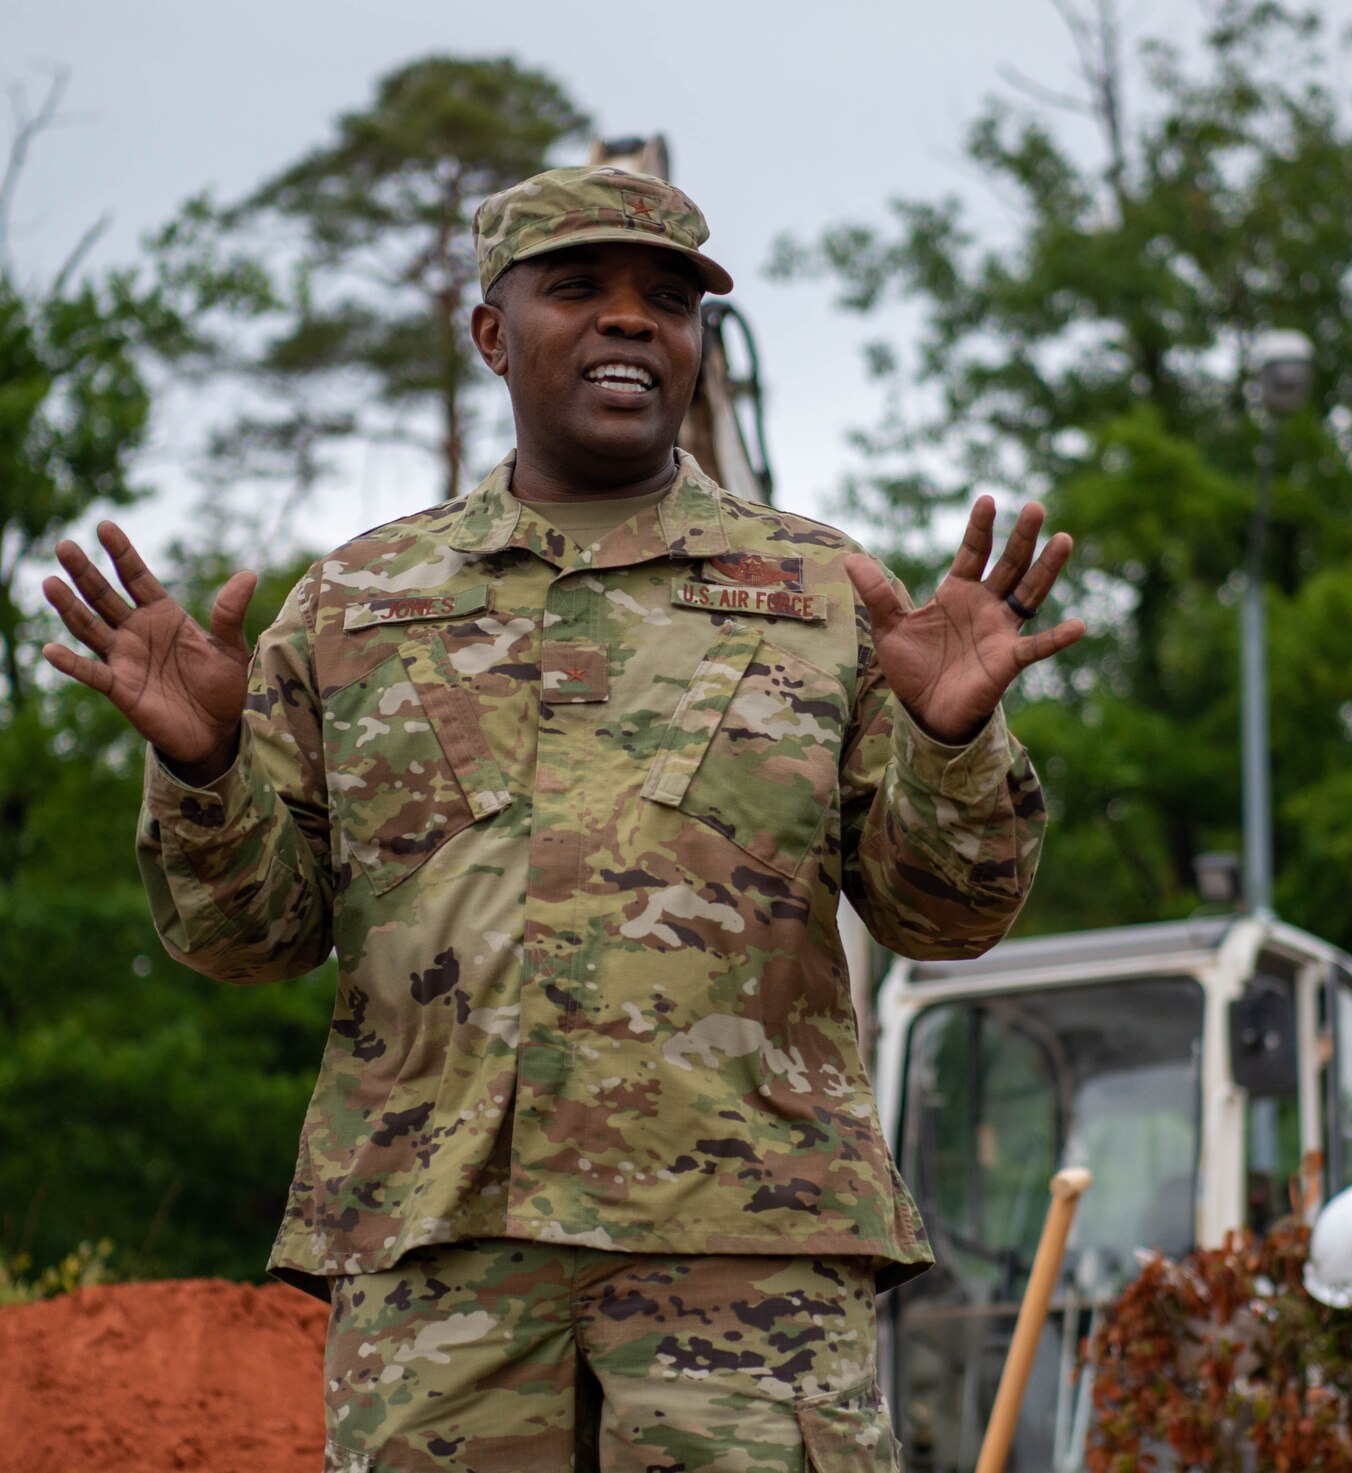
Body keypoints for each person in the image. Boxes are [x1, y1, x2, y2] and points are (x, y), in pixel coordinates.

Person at [39, 164, 1084, 1472]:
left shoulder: (828, 597)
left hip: (744, 1265)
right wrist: (201, 771)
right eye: (578, 288)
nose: (632, 321)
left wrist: (951, 742)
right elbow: (246, 936)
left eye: (668, 299)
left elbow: (949, 915)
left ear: (700, 343)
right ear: (492, 332)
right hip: (443, 1262)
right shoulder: (356, 603)